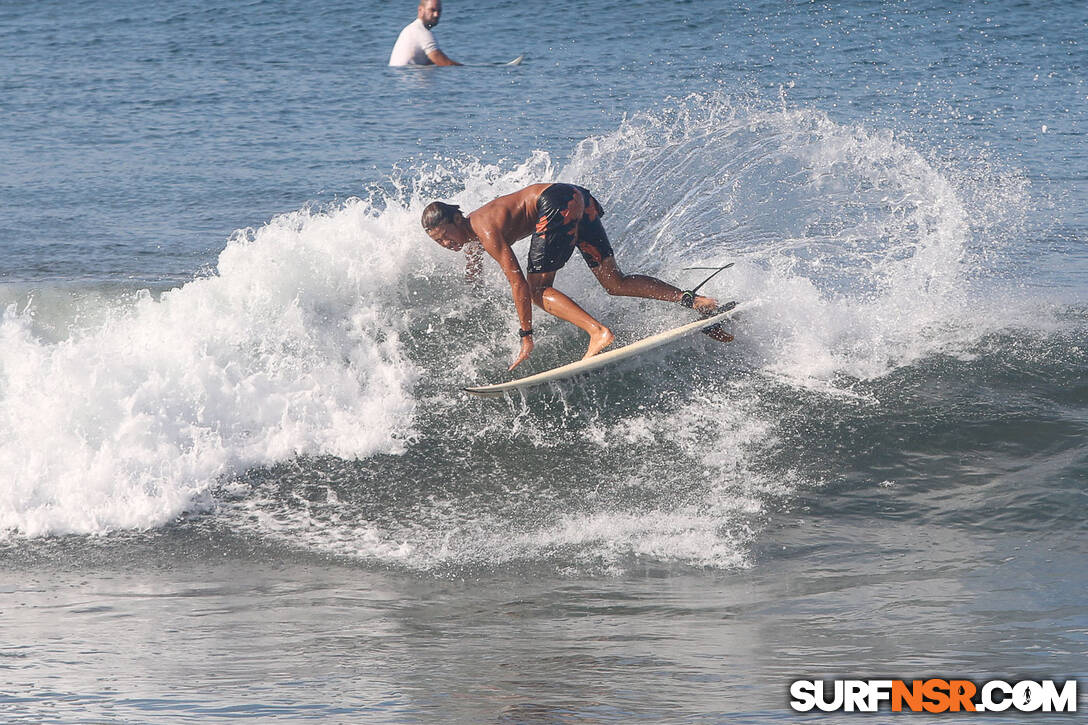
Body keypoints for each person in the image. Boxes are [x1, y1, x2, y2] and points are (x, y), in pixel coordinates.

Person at [422, 183, 732, 371]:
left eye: (445, 236)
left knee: (536, 289)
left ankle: (598, 333)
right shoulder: (473, 233)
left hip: (555, 205)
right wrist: (472, 285)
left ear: (454, 219)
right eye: (439, 243)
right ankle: (697, 302)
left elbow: (516, 281)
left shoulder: (485, 229)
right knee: (614, 282)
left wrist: (526, 336)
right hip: (575, 198)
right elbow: (474, 261)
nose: (446, 244)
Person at [389, 0, 460, 67]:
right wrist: (466, 69)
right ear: (420, 10)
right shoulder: (422, 32)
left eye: (439, 11)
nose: (436, 15)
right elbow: (443, 63)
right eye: (432, 10)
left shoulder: (411, 29)